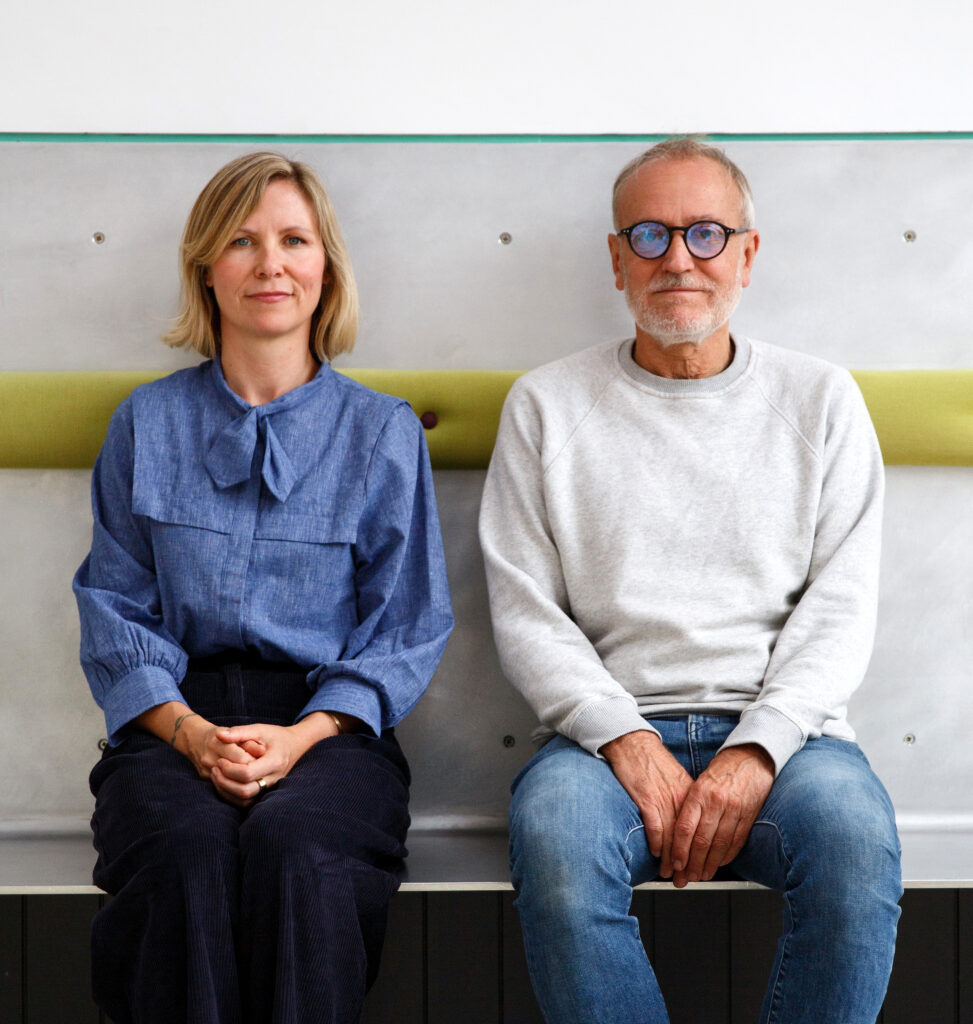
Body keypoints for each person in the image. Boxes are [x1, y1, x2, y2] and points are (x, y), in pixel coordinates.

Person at [479, 137, 902, 1023]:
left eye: (705, 233)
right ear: (616, 259)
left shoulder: (822, 399)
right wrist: (625, 740)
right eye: (649, 235)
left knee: (855, 845)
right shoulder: (545, 405)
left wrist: (755, 751)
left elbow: (841, 609)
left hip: (792, 746)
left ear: (747, 254)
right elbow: (526, 612)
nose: (677, 258)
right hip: (601, 745)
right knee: (555, 845)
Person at [74, 152, 453, 1024]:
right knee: (183, 852)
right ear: (207, 268)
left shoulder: (381, 432)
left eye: (293, 240)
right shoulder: (146, 422)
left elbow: (404, 625)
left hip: (331, 729)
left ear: (326, 268)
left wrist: (303, 736)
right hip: (172, 722)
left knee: (297, 847)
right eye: (242, 241)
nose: (270, 264)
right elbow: (114, 607)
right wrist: (191, 733)